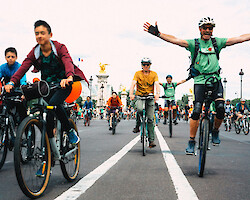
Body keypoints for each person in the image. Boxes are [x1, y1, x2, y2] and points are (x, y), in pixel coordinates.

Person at [144, 17, 250, 154]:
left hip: (215, 79)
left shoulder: (217, 42)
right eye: (205, 28)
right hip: (200, 81)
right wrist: (159, 34)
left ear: (212, 30)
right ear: (200, 29)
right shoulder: (194, 44)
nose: (207, 30)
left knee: (220, 108)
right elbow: (176, 40)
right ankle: (191, 141)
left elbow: (239, 38)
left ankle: (215, 131)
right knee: (196, 110)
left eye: (210, 28)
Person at [4, 20, 88, 169]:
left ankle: (69, 131)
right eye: (37, 33)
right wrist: (11, 82)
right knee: (46, 115)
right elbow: (23, 67)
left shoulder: (59, 48)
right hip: (47, 86)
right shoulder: (35, 51)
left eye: (42, 33)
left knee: (52, 106)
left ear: (50, 34)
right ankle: (49, 155)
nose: (39, 36)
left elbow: (67, 61)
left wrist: (68, 77)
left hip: (63, 84)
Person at [129, 57, 160, 148]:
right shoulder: (137, 73)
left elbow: (157, 84)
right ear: (141, 65)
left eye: (147, 64)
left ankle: (151, 140)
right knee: (139, 109)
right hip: (139, 96)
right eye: (144, 64)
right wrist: (131, 93)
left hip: (150, 97)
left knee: (150, 119)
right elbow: (133, 84)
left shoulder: (154, 74)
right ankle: (137, 126)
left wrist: (157, 94)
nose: (146, 66)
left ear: (150, 65)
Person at [0, 47, 27, 123]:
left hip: (18, 92)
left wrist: (23, 93)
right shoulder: (2, 68)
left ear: (16, 57)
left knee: (22, 112)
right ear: (5, 58)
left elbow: (23, 81)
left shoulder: (19, 67)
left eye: (13, 57)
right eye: (8, 57)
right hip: (7, 92)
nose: (10, 59)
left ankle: (25, 128)